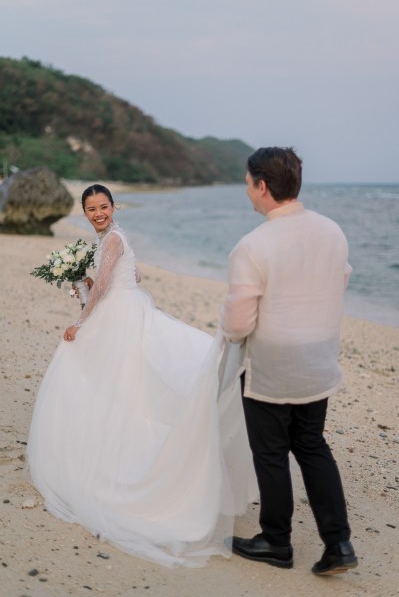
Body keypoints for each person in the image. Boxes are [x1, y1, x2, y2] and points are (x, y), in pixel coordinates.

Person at [27, 184, 257, 568]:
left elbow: (104, 285)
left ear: (114, 207)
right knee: (118, 382)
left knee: (102, 371)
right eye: (91, 208)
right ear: (83, 212)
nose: (98, 212)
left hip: (121, 317)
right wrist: (82, 284)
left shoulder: (112, 238)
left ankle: (113, 456)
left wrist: (80, 321)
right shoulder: (111, 239)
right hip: (123, 310)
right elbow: (132, 277)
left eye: (103, 206)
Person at [220, 147, 358, 575]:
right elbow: (341, 280)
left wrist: (225, 331)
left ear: (263, 186)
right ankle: (339, 544)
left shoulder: (253, 245)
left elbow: (239, 323)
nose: (247, 191)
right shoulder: (333, 231)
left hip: (272, 368)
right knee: (313, 446)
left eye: (248, 183)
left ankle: (277, 542)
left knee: (272, 454)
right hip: (318, 361)